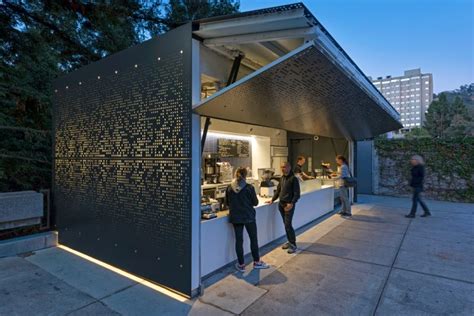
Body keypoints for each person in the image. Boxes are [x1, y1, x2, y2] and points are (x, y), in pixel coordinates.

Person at [226, 167, 269, 272]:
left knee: (239, 241)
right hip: (248, 217)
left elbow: (227, 203)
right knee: (253, 239)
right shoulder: (249, 187)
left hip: (236, 217)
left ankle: (241, 265)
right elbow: (255, 203)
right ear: (245, 175)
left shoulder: (229, 187)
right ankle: (257, 262)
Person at [266, 162, 300, 254]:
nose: (282, 169)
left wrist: (291, 203)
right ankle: (289, 241)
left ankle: (293, 244)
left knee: (288, 225)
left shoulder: (294, 179)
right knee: (286, 224)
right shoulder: (282, 178)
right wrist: (272, 200)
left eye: (284, 167)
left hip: (288, 205)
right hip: (281, 204)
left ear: (289, 167)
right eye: (281, 167)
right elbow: (278, 190)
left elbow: (297, 194)